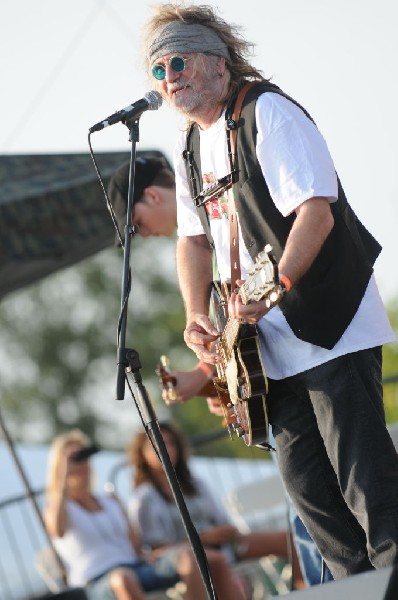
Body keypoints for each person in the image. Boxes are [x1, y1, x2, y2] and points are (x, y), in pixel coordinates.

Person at [139, 2, 398, 581]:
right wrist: (193, 313)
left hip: (329, 327)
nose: (168, 77)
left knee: (370, 491)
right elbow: (193, 241)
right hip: (265, 351)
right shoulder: (188, 145)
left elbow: (316, 212)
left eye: (178, 61)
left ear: (217, 63)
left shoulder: (268, 112)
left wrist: (278, 282)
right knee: (316, 506)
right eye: (158, 70)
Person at [108, 152, 333, 586]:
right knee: (309, 517)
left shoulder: (222, 231)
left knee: (317, 516)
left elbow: (259, 306)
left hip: (307, 373)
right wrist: (208, 384)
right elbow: (242, 345)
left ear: (153, 196)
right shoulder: (210, 251)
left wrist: (207, 378)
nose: (145, 236)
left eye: (135, 226)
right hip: (283, 395)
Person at [128, 421, 304, 599]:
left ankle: (306, 593)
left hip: (224, 546)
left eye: (171, 442)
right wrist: (202, 539)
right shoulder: (144, 498)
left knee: (289, 540)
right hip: (192, 557)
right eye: (158, 444)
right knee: (216, 562)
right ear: (142, 454)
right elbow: (156, 550)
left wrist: (227, 531)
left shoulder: (195, 483)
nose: (167, 449)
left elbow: (220, 518)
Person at [43, 429, 180, 600]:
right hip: (93, 583)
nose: (82, 463)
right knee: (122, 579)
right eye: (75, 458)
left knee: (190, 557)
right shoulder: (56, 507)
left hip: (135, 568)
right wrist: (63, 475)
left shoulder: (111, 500)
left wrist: (153, 556)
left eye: (84, 456)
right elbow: (57, 531)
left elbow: (135, 544)